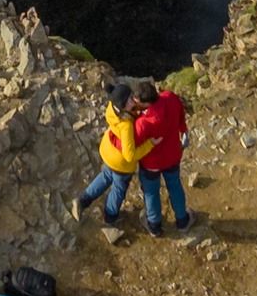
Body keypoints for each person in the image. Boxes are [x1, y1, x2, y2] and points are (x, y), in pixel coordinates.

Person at [74, 78, 145, 226]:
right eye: (130, 100)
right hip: (121, 163)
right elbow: (129, 155)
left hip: (108, 151)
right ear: (123, 106)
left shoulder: (112, 109)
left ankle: (83, 200)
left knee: (106, 176)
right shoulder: (126, 125)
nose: (134, 101)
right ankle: (110, 216)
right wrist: (150, 144)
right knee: (119, 189)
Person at [133, 78, 191, 235]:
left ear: (145, 103)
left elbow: (135, 144)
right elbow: (180, 114)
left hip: (151, 164)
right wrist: (183, 129)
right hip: (173, 156)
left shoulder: (143, 123)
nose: (134, 102)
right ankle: (182, 221)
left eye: (136, 100)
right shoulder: (170, 98)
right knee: (175, 187)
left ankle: (154, 226)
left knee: (151, 193)